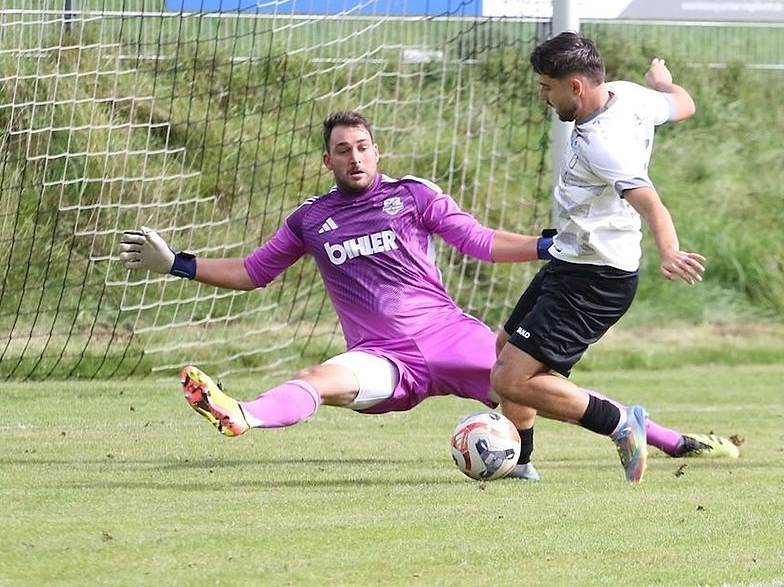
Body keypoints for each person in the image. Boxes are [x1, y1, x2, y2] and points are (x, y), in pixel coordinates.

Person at [118, 111, 554, 480]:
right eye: (343, 150)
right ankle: (243, 414)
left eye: (362, 147)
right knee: (316, 379)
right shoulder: (311, 219)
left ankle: (542, 455)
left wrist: (543, 246)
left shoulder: (411, 196)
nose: (355, 157)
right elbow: (253, 272)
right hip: (382, 357)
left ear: (376, 151)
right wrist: (178, 263)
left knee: (524, 376)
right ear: (328, 160)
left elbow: (479, 241)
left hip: (449, 335)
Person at [490, 31, 740, 483]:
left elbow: (650, 202)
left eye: (548, 87)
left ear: (576, 87)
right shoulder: (629, 94)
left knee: (510, 379)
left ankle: (621, 424)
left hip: (596, 277)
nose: (544, 96)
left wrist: (669, 251)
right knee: (505, 350)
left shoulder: (604, 143)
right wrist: (663, 82)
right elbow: (684, 104)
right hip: (573, 259)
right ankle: (520, 462)